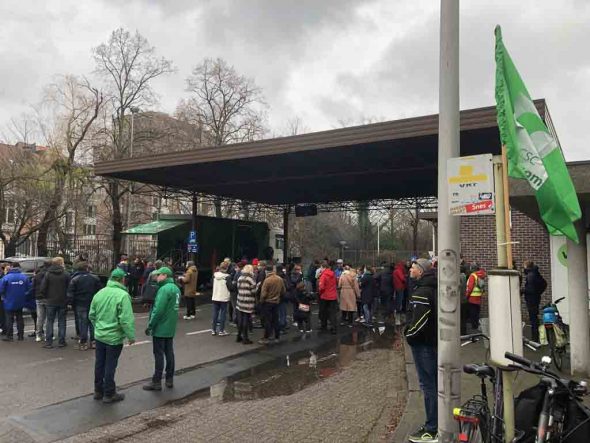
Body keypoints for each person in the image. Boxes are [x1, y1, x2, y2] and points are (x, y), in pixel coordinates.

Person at [89, 268, 135, 403]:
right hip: (114, 337)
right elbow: (126, 319)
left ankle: (98, 390)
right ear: (122, 280)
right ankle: (109, 393)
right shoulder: (123, 295)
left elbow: (92, 315)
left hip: (100, 335)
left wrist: (98, 327)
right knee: (110, 365)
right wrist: (131, 336)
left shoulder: (100, 293)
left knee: (99, 363)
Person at [404, 258, 438, 443]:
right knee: (434, 382)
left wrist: (409, 335)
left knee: (428, 385)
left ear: (421, 271)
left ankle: (432, 428)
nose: (410, 269)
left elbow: (419, 321)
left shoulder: (422, 292)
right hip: (432, 342)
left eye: (413, 267)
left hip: (423, 345)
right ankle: (437, 423)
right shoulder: (433, 287)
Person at [143, 267, 180, 391]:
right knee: (169, 352)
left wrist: (150, 325)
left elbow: (158, 310)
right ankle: (169, 379)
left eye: (158, 275)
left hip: (160, 327)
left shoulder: (164, 290)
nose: (156, 277)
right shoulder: (175, 288)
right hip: (170, 326)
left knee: (158, 354)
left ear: (165, 275)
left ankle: (157, 381)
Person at [67, 262, 102, 350]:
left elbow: (70, 293)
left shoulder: (75, 279)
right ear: (87, 269)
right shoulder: (95, 278)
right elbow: (100, 291)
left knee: (83, 323)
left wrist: (70, 303)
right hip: (93, 303)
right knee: (92, 322)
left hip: (80, 303)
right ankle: (93, 341)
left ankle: (83, 342)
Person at [40, 257, 70, 349]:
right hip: (62, 300)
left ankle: (49, 342)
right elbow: (69, 288)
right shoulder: (66, 274)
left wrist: (45, 296)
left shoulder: (48, 274)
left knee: (49, 321)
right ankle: (61, 341)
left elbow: (43, 288)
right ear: (61, 263)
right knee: (62, 321)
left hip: (50, 301)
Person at [0, 262, 31, 341]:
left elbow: (1, 289)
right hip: (20, 301)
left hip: (8, 301)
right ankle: (21, 335)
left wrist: (4, 297)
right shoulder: (24, 277)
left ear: (11, 267)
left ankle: (9, 336)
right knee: (19, 318)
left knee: (9, 319)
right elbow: (28, 289)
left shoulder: (6, 277)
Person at [258, 264, 285, 344]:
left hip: (267, 302)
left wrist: (261, 301)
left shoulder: (267, 280)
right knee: (276, 320)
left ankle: (266, 337)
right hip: (276, 302)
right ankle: (277, 336)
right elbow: (283, 291)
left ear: (266, 271)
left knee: (267, 321)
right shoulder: (279, 279)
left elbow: (263, 294)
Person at [522, 261, 547, 343]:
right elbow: (544, 284)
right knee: (535, 317)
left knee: (533, 319)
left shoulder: (530, 276)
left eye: (524, 266)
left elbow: (530, 289)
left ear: (526, 267)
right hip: (535, 298)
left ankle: (535, 338)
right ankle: (537, 337)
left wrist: (523, 290)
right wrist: (538, 292)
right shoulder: (535, 273)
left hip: (532, 300)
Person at [236, 264, 256, 344]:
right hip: (248, 302)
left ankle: (238, 336)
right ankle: (245, 338)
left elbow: (238, 288)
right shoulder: (250, 279)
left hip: (240, 300)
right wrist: (257, 287)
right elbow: (253, 291)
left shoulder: (240, 278)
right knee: (246, 320)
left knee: (240, 319)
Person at [211, 262, 232, 336]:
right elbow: (230, 287)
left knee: (215, 313)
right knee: (223, 314)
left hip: (215, 296)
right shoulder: (228, 277)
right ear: (227, 268)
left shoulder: (214, 275)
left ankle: (213, 330)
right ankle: (221, 330)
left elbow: (211, 284)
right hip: (224, 298)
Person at [33, 260, 51, 342]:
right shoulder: (50, 275)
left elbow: (33, 286)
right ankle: (48, 334)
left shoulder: (37, 275)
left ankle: (38, 335)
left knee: (40, 317)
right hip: (49, 297)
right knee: (48, 317)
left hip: (39, 297)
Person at [465, 263, 487, 332]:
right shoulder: (481, 275)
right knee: (477, 313)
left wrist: (466, 296)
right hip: (478, 298)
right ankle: (476, 327)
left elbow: (470, 288)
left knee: (473, 314)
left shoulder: (473, 276)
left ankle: (474, 329)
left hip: (472, 298)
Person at [318, 260, 338, 334]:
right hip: (333, 296)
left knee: (323, 312)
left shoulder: (323, 275)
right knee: (333, 313)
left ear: (323, 267)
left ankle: (324, 325)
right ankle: (334, 328)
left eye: (321, 267)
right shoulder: (333, 274)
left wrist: (320, 293)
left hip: (325, 296)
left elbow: (321, 287)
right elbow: (336, 282)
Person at [393, 261, 408, 326]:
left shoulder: (395, 270)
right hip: (401, 288)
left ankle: (398, 319)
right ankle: (399, 319)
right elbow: (402, 279)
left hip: (397, 288)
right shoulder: (399, 270)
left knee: (398, 302)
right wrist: (406, 278)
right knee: (400, 303)